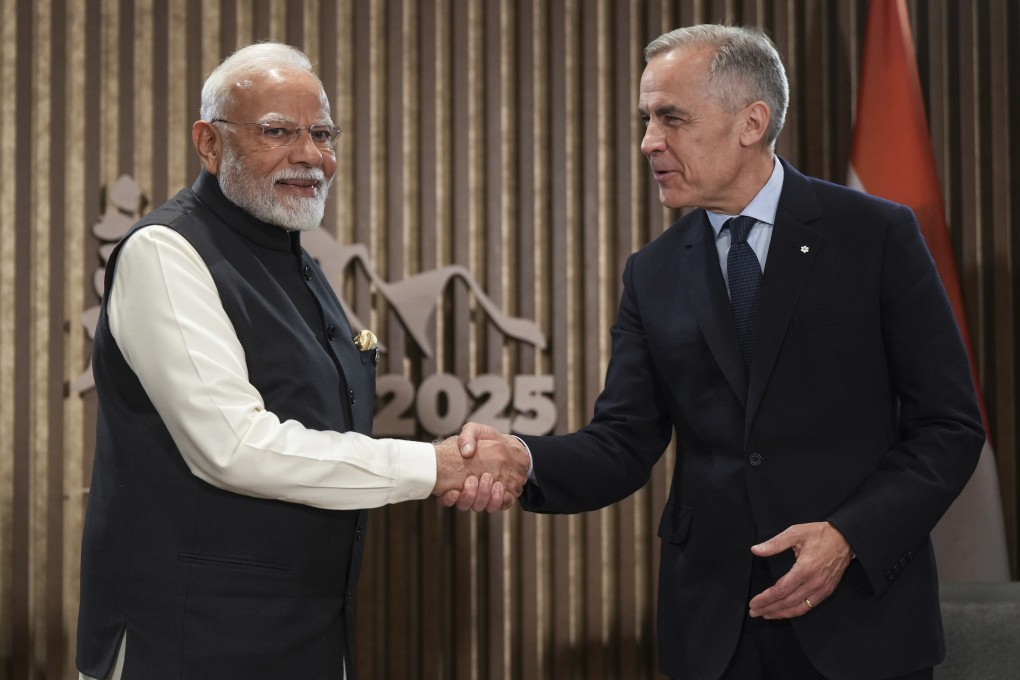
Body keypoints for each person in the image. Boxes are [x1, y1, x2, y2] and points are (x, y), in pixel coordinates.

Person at [451, 24, 984, 680]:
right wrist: (523, 457)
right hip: (714, 632)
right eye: (646, 119)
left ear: (751, 122)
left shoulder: (875, 235)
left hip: (859, 623)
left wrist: (850, 535)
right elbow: (622, 442)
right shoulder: (652, 272)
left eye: (670, 118)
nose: (649, 142)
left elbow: (950, 427)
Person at [76, 42, 527, 680]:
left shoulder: (297, 260)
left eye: (321, 133)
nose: (310, 156)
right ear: (209, 143)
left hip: (306, 638)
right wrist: (434, 464)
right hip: (184, 642)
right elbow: (234, 446)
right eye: (277, 132)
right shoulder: (165, 253)